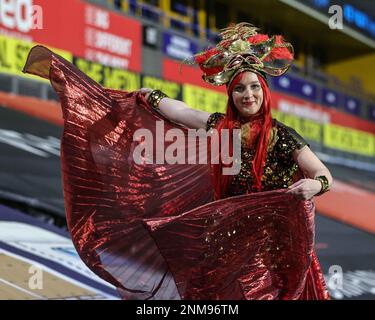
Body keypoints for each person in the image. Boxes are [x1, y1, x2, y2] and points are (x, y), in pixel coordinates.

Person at [23, 22, 331, 300]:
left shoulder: (283, 136)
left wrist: (314, 185)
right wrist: (151, 98)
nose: (247, 94)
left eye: (253, 87)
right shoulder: (221, 127)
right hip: (228, 243)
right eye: (239, 88)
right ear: (231, 93)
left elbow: (323, 174)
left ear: (263, 90)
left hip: (273, 250)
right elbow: (183, 113)